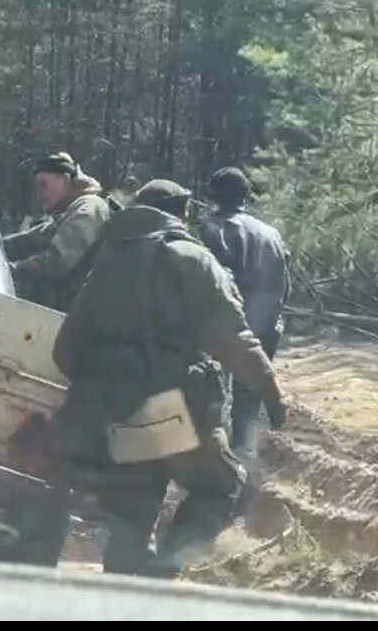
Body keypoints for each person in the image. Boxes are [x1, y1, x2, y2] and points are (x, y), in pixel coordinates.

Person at [52, 179, 290, 578]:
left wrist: (112, 384)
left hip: (117, 414)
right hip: (178, 409)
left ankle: (123, 593)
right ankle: (163, 571)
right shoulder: (191, 258)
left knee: (134, 510)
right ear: (181, 212)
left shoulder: (109, 262)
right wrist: (272, 393)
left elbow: (66, 351)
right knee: (221, 486)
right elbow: (233, 338)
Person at [197, 167, 290, 509]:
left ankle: (217, 492)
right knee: (247, 413)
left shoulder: (213, 229)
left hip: (224, 335)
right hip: (264, 334)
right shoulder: (273, 235)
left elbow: (213, 283)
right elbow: (286, 291)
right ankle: (245, 493)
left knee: (213, 410)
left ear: (213, 196)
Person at [3, 153, 111, 311]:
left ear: (66, 180)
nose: (39, 193)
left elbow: (58, 261)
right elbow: (31, 238)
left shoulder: (89, 207)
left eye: (44, 185)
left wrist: (9, 269)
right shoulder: (70, 212)